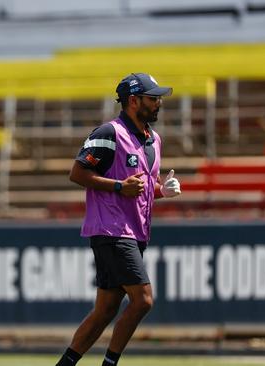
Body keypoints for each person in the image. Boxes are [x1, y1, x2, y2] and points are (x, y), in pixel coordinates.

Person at [55, 73, 181, 366]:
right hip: (112, 230)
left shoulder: (154, 140)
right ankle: (110, 363)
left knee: (106, 309)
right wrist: (117, 186)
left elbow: (142, 188)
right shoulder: (109, 133)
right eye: (153, 98)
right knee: (143, 300)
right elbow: (77, 173)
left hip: (135, 232)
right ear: (133, 101)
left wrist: (162, 190)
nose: (159, 103)